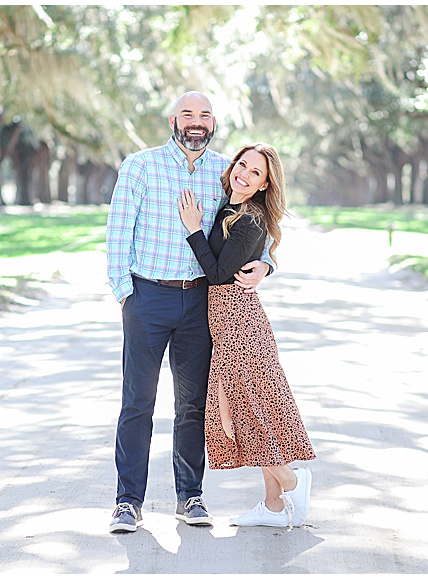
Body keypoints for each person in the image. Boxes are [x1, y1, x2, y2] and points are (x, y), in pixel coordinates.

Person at [105, 91, 273, 533]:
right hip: (148, 298)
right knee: (138, 402)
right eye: (187, 114)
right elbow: (118, 231)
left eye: (204, 116)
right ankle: (127, 502)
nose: (195, 123)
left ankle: (190, 497)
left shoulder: (225, 170)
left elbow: (257, 225)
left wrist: (268, 264)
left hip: (201, 302)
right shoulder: (141, 165)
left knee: (192, 405)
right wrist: (126, 294)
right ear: (172, 120)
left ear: (214, 122)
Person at [176, 142, 316, 529]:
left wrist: (192, 230)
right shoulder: (229, 208)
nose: (244, 174)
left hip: (239, 323)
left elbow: (220, 274)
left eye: (255, 173)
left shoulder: (250, 219)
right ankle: (273, 506)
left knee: (239, 412)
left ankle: (290, 479)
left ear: (264, 184)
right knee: (252, 409)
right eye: (243, 165)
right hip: (225, 322)